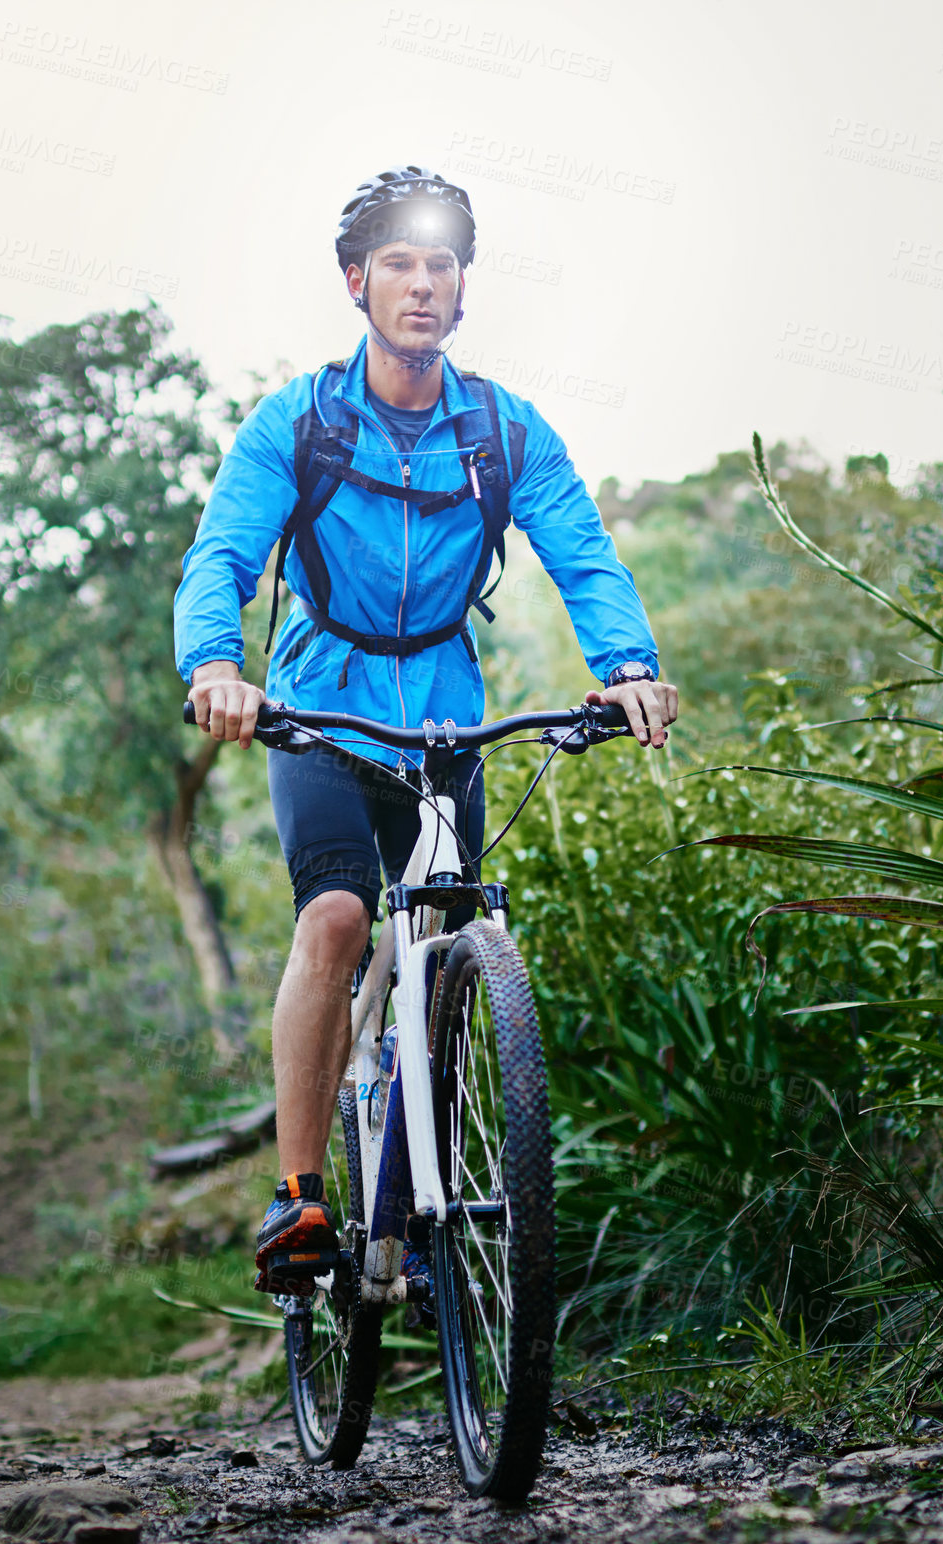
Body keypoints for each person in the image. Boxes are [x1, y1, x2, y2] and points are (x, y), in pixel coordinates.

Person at [174, 165, 678, 1297]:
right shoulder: (298, 420)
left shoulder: (501, 430)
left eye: (440, 263)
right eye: (396, 261)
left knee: (451, 935)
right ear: (355, 282)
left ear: (462, 288)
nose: (420, 282)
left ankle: (423, 1159)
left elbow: (581, 551)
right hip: (321, 708)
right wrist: (215, 664)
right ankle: (300, 1194)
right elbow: (223, 553)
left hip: (446, 716)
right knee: (343, 913)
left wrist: (628, 668)